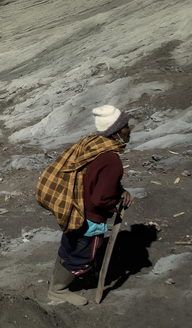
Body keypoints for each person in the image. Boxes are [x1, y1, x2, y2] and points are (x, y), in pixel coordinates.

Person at [36, 105, 134, 306]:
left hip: (73, 210)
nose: (129, 130)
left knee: (68, 247)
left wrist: (119, 189)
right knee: (82, 256)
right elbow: (101, 199)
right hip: (89, 218)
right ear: (115, 131)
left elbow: (96, 181)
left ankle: (56, 283)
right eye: (125, 126)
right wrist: (116, 202)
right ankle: (58, 290)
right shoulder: (111, 160)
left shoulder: (92, 145)